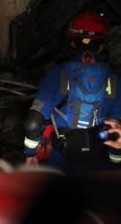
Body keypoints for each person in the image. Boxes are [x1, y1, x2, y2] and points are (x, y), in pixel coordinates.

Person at [23, 11, 121, 171]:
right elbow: (117, 129)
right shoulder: (115, 80)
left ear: (73, 44)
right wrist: (116, 160)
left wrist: (30, 153)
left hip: (60, 162)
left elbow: (33, 122)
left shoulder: (56, 74)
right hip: (100, 164)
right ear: (103, 46)